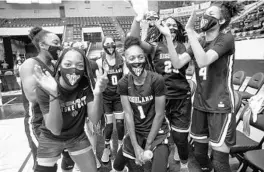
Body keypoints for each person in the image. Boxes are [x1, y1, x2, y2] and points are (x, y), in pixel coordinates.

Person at [154, 2, 243, 172]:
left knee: (220, 161)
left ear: (222, 20)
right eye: (204, 14)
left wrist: (190, 32)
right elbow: (177, 62)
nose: (204, 17)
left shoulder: (226, 38)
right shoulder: (200, 41)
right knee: (200, 154)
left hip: (220, 105)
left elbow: (203, 61)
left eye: (210, 14)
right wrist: (167, 37)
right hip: (201, 103)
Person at [130, 9, 191, 171]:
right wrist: (138, 20)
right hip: (160, 98)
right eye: (167, 24)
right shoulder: (155, 47)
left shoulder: (185, 47)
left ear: (178, 29)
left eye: (174, 24)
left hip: (181, 98)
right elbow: (134, 41)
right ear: (161, 27)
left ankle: (184, 164)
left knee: (180, 138)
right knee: (158, 135)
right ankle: (161, 160)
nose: (171, 26)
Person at [33, 47, 108, 172]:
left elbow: (94, 119)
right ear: (59, 66)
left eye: (79, 65)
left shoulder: (85, 83)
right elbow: (55, 130)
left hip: (76, 137)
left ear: (84, 68)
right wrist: (53, 93)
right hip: (50, 137)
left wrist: (98, 93)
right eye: (68, 64)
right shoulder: (45, 87)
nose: (73, 69)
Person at [20, 27, 76, 171]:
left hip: (58, 117)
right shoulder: (31, 64)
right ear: (43, 45)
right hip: (39, 122)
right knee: (46, 165)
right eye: (56, 42)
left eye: (60, 43)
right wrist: (57, 87)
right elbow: (32, 96)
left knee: (70, 157)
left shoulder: (57, 64)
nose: (60, 46)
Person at [112, 36, 170, 172]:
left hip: (157, 132)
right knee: (117, 166)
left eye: (140, 57)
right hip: (136, 131)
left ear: (145, 58)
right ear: (125, 60)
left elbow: (160, 114)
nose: (136, 61)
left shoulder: (157, 80)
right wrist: (136, 145)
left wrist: (148, 144)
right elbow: (128, 114)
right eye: (131, 58)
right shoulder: (123, 83)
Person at [96, 36, 126, 163]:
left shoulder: (122, 59)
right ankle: (107, 147)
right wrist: (105, 73)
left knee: (119, 124)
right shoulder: (99, 61)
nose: (110, 45)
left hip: (118, 96)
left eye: (112, 43)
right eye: (107, 43)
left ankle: (120, 145)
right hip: (107, 97)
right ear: (103, 45)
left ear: (115, 44)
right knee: (108, 125)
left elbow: (125, 77)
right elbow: (100, 81)